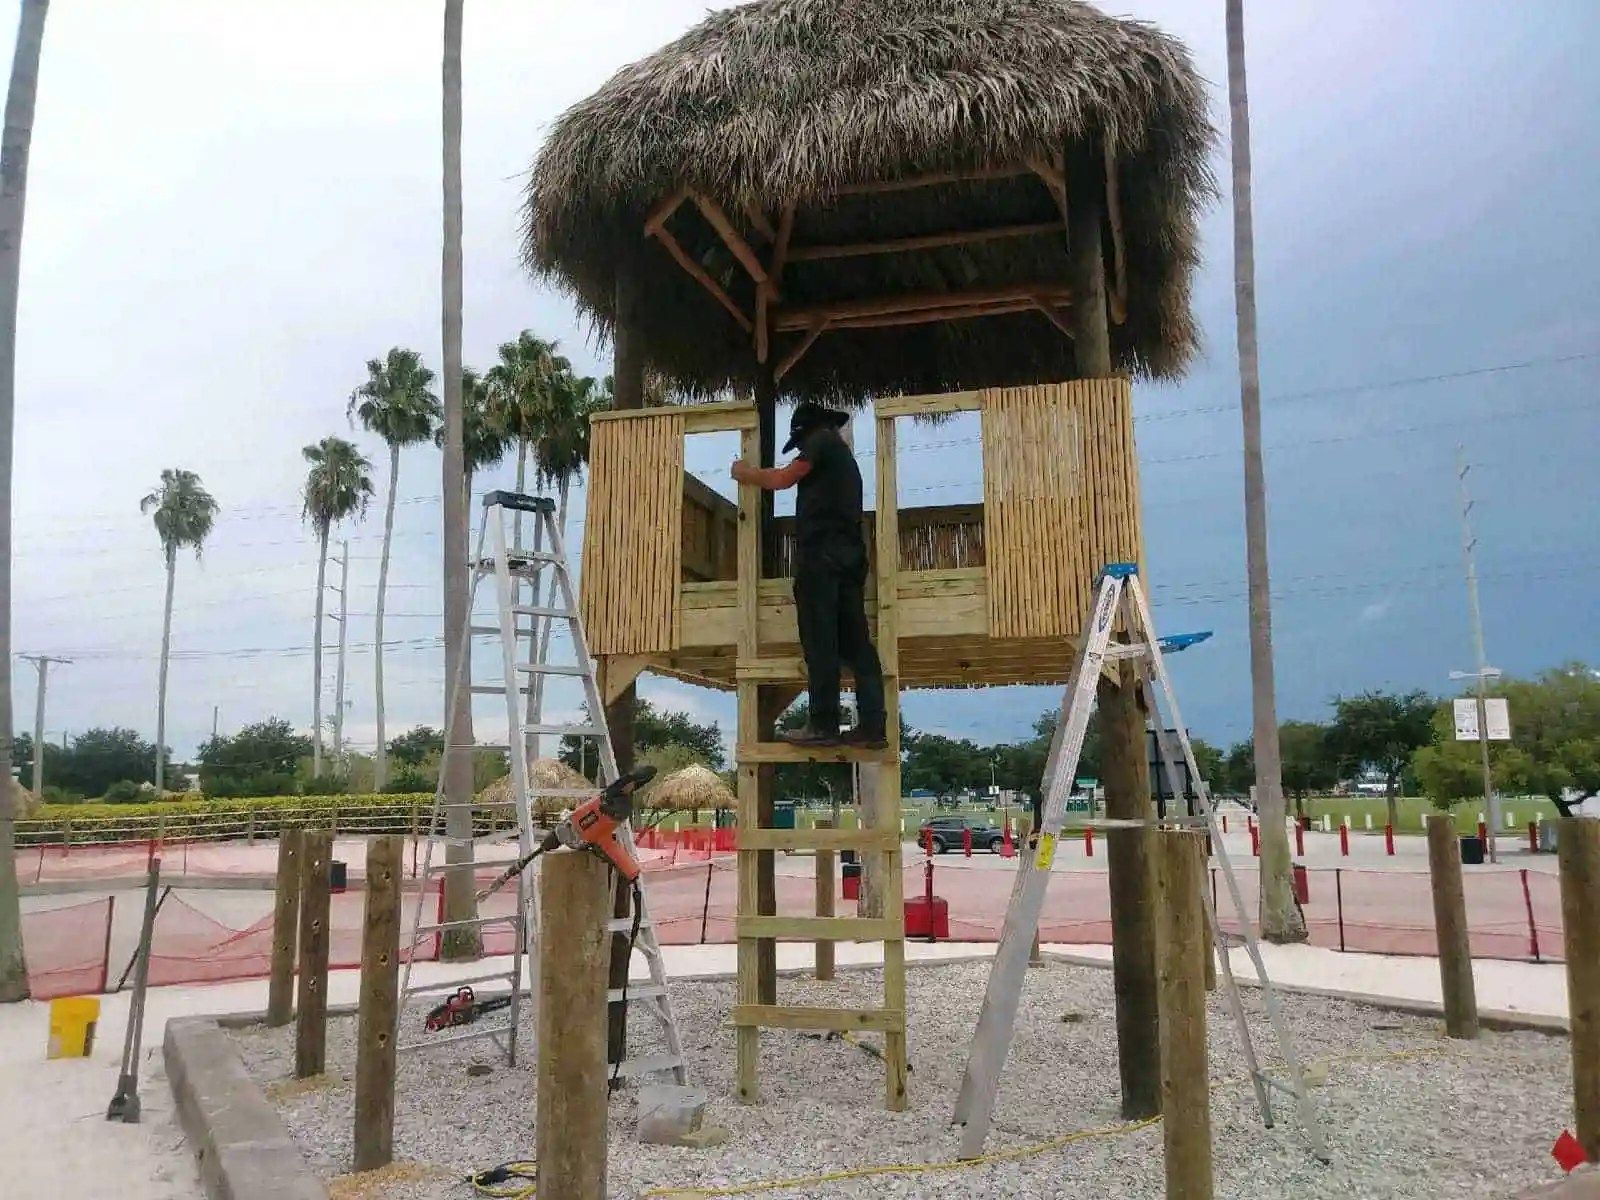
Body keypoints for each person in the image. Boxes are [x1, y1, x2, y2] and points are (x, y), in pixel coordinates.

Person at [730, 401, 886, 748]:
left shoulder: (821, 441)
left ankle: (823, 725)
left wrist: (746, 473)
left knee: (820, 642)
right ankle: (874, 727)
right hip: (849, 557)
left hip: (823, 557)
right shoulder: (843, 457)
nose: (800, 449)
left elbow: (786, 478)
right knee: (857, 645)